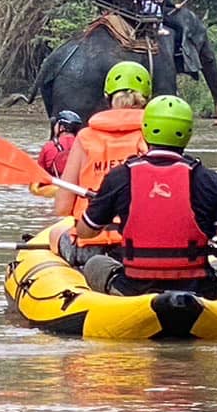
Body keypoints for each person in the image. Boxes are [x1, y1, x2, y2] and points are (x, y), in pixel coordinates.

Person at [76, 95, 217, 301]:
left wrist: (99, 202)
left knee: (95, 263)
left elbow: (85, 232)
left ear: (146, 129)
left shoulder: (120, 176)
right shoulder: (210, 180)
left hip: (134, 286)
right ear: (187, 133)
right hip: (198, 288)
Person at [49, 61, 152, 264]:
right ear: (147, 100)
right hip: (139, 247)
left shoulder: (85, 136)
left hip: (92, 247)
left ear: (107, 98)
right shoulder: (154, 136)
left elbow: (62, 207)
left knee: (55, 235)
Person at [38, 109, 85, 177]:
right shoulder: (85, 146)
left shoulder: (49, 146)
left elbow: (39, 173)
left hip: (54, 185)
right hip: (78, 186)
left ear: (62, 127)